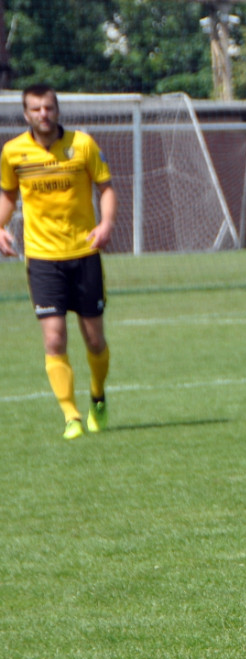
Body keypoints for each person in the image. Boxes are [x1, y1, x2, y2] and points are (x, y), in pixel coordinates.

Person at [0, 84, 117, 440]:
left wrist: (106, 224)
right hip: (42, 259)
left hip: (83, 255)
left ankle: (97, 395)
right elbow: (7, 194)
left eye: (48, 108)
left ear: (57, 109)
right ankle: (71, 416)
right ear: (26, 114)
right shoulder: (13, 152)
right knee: (54, 339)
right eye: (35, 109)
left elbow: (106, 187)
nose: (43, 115)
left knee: (95, 340)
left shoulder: (82, 145)